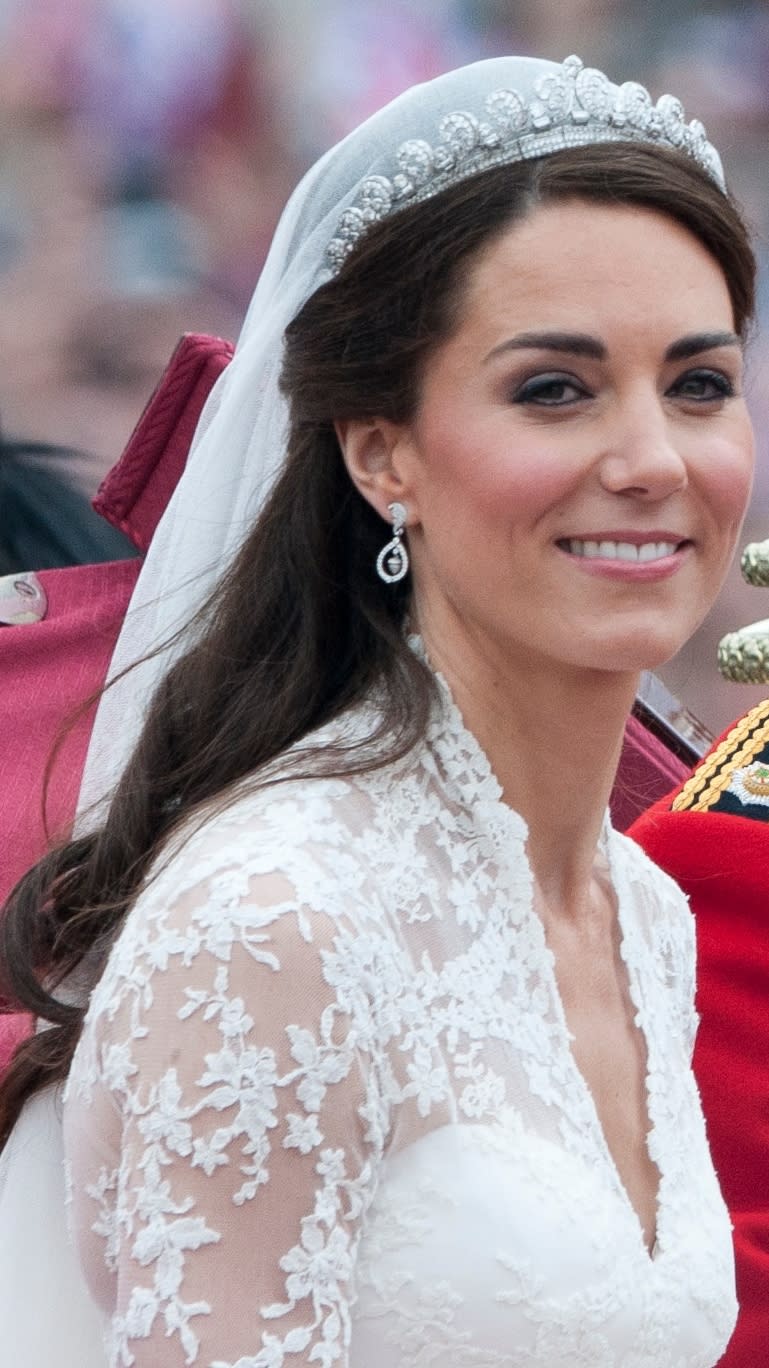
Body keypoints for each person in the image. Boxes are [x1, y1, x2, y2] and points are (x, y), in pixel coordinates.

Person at [0, 53, 757, 1367]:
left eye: (696, 384)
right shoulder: (274, 919)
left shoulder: (644, 917)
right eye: (553, 389)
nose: (650, 461)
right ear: (378, 450)